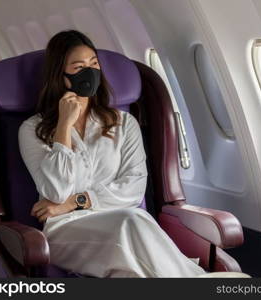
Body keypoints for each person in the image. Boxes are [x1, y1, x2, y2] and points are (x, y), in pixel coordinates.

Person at [18, 30, 207, 278]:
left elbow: (134, 187)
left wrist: (77, 202)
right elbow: (55, 192)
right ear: (61, 76)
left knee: (131, 271)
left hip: (118, 223)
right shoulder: (33, 128)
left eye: (94, 64)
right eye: (79, 66)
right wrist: (63, 126)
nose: (90, 72)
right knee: (133, 220)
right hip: (66, 232)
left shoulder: (123, 123)